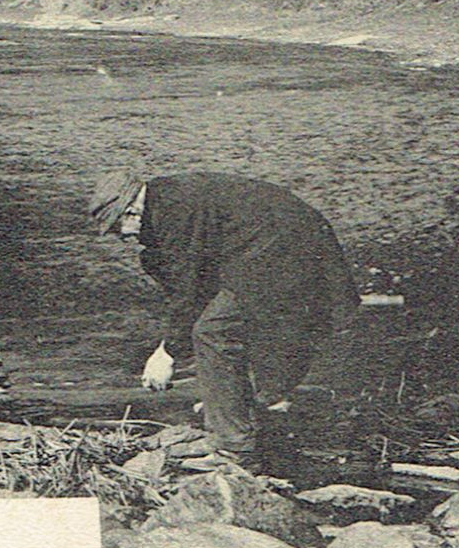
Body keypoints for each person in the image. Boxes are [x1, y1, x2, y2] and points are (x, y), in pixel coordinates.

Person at [89, 170, 360, 470]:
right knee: (220, 324)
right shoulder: (167, 200)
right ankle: (240, 413)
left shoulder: (175, 211)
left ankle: (235, 451)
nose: (124, 238)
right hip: (278, 247)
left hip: (289, 254)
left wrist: (167, 353)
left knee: (211, 332)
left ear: (131, 211)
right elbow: (195, 281)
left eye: (118, 229)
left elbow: (188, 292)